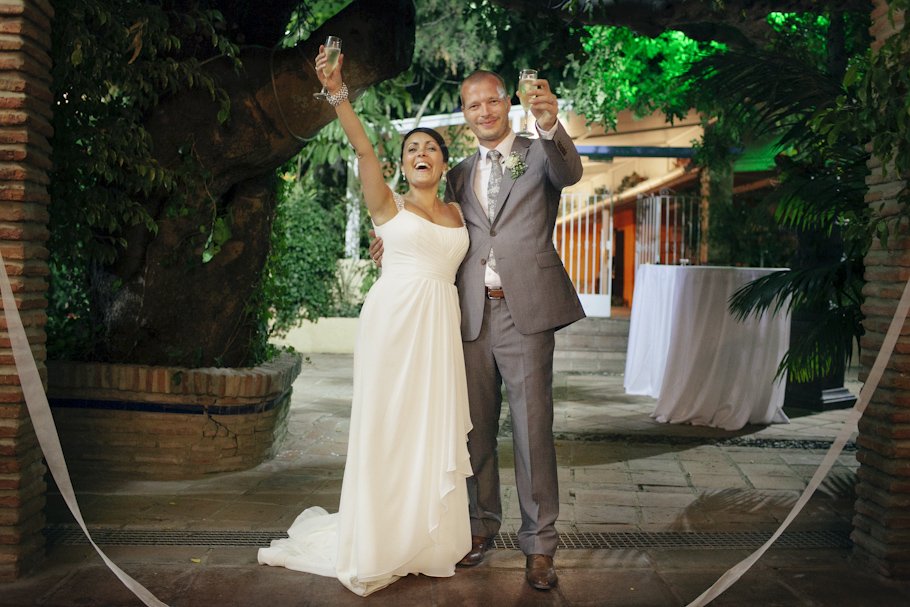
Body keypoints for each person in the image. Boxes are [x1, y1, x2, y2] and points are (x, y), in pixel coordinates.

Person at [258, 46, 473, 597]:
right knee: (388, 430)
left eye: (431, 148)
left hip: (439, 330)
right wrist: (337, 91)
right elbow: (360, 144)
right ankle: (380, 538)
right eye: (412, 149)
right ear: (402, 165)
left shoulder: (458, 211)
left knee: (427, 430)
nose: (420, 152)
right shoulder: (387, 205)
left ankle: (425, 540)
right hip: (393, 326)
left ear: (445, 164)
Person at [371, 70, 584, 590]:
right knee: (474, 433)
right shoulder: (460, 172)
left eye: (492, 101)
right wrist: (390, 240)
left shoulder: (533, 153)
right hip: (466, 317)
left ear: (506, 104)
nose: (484, 110)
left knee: (533, 431)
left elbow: (569, 173)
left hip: (525, 312)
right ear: (464, 114)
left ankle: (539, 547)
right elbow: (427, 214)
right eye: (473, 105)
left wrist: (551, 123)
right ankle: (480, 528)